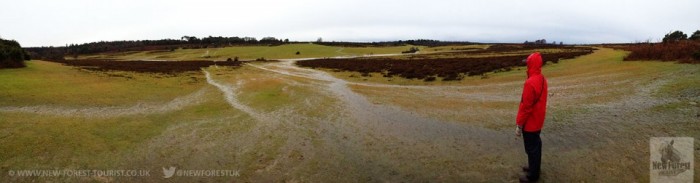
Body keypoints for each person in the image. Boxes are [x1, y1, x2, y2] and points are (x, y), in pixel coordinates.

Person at [515, 52, 548, 182]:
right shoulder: (542, 79)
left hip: (531, 123)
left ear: (531, 65)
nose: (526, 66)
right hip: (539, 120)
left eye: (527, 63)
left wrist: (519, 124)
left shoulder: (530, 83)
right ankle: (534, 168)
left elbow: (525, 107)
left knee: (531, 148)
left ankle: (533, 176)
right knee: (536, 146)